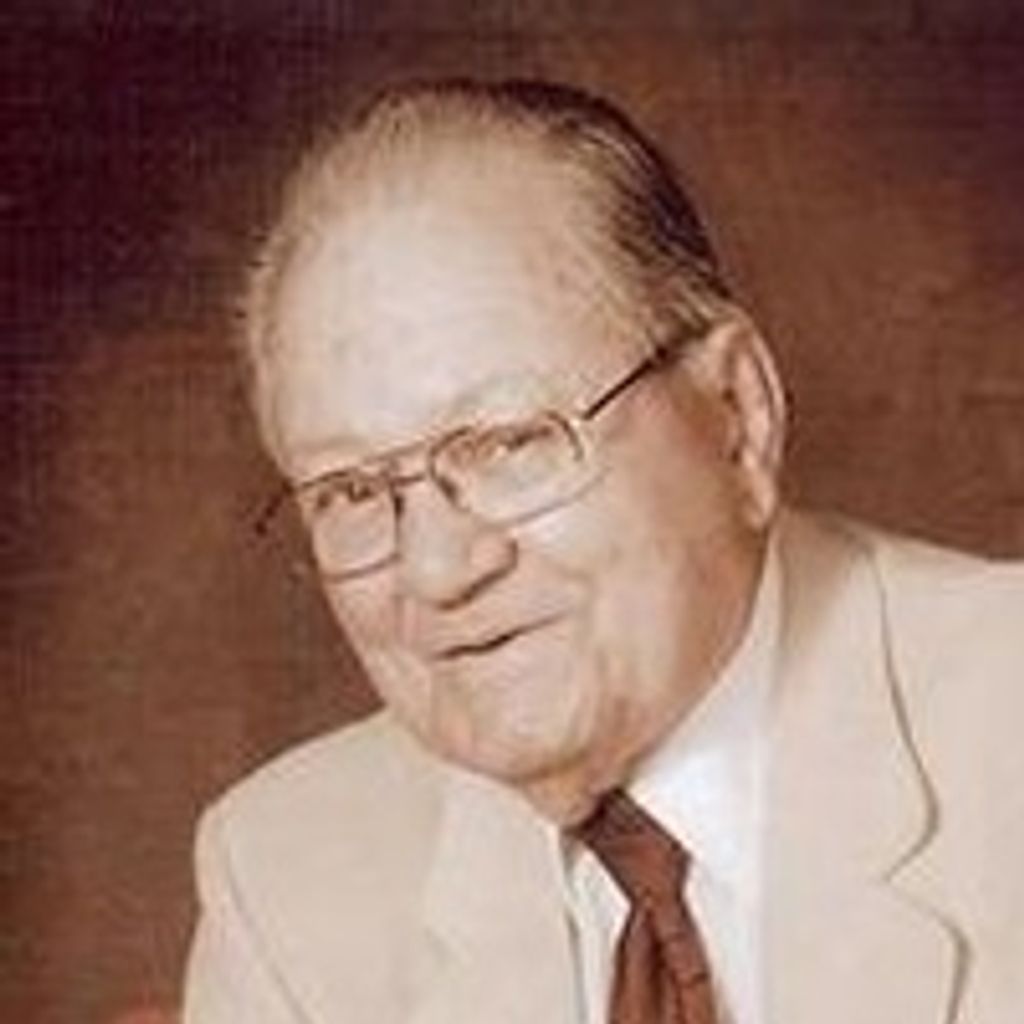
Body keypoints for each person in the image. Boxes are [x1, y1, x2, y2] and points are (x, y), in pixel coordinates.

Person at [182, 79, 1024, 1024]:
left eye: (510, 444)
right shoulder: (286, 880)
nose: (437, 572)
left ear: (737, 419)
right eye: (350, 492)